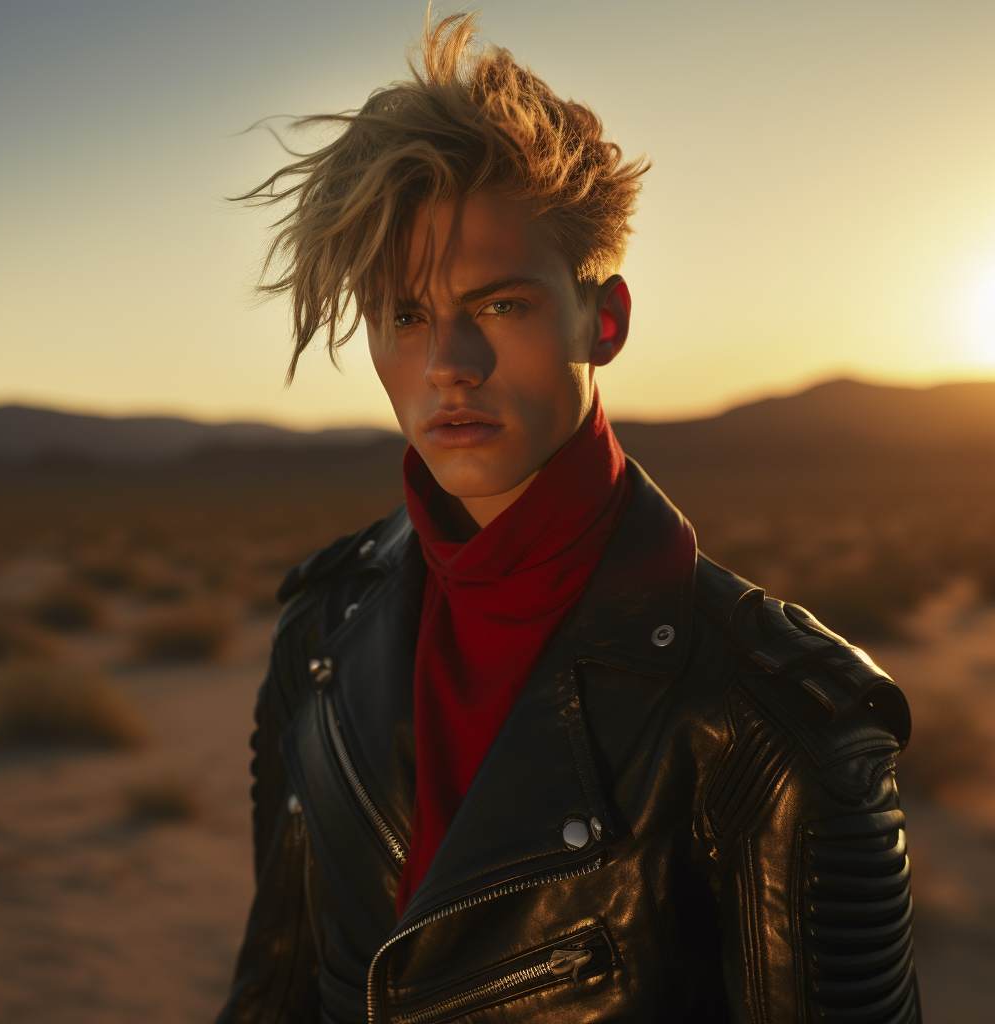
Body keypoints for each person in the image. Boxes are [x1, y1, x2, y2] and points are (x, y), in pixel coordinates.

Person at [217, 14, 919, 1024]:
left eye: (499, 304)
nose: (447, 362)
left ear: (606, 319)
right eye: (404, 315)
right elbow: (274, 989)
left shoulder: (771, 719)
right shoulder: (320, 633)